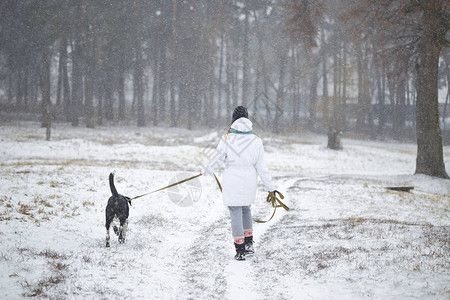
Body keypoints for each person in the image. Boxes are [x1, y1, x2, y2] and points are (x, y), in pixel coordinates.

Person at [201, 106, 276, 261]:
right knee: (246, 209)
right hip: (249, 181)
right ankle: (249, 245)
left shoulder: (227, 138)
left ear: (233, 120)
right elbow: (262, 168)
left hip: (232, 181)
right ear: (247, 119)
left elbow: (216, 162)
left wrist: (205, 171)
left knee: (235, 211)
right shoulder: (256, 140)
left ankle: (240, 249)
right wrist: (271, 188)